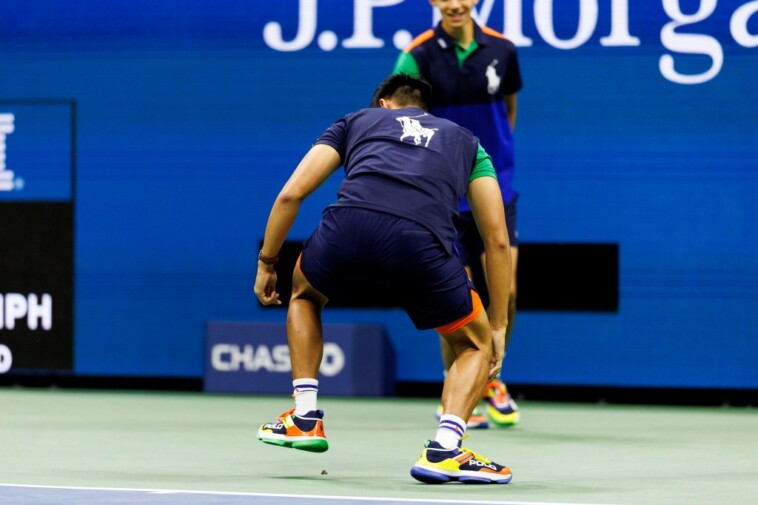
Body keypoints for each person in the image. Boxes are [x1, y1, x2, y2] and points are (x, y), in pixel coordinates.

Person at [253, 74, 513, 484]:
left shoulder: (356, 121)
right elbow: (496, 241)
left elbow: (290, 195)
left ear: (383, 104)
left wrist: (268, 263)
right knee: (475, 343)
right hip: (420, 243)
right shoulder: (466, 142)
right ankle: (445, 448)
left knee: (303, 294)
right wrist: (498, 325)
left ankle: (304, 416)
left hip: (347, 230)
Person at [393, 0, 523, 428]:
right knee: (458, 297)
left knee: (506, 291)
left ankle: (489, 378)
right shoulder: (417, 54)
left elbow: (507, 112)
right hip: (443, 190)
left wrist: (489, 163)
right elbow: (398, 119)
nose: (453, 4)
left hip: (494, 183)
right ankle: (456, 387)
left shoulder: (503, 50)